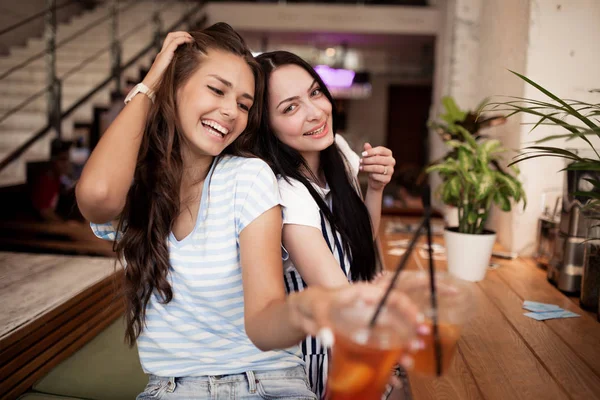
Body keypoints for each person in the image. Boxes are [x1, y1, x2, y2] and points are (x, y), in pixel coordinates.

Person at [76, 25, 418, 399]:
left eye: (243, 103)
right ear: (174, 88)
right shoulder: (142, 188)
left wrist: (321, 308)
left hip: (268, 382)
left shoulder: (250, 176)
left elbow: (263, 319)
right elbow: (98, 194)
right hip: (174, 388)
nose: (228, 111)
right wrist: (149, 86)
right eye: (217, 89)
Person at [254, 51, 409, 399]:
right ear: (267, 126)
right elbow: (341, 299)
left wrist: (376, 188)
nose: (315, 112)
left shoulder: (337, 151)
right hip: (316, 361)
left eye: (315, 93)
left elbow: (357, 246)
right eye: (290, 108)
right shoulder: (281, 189)